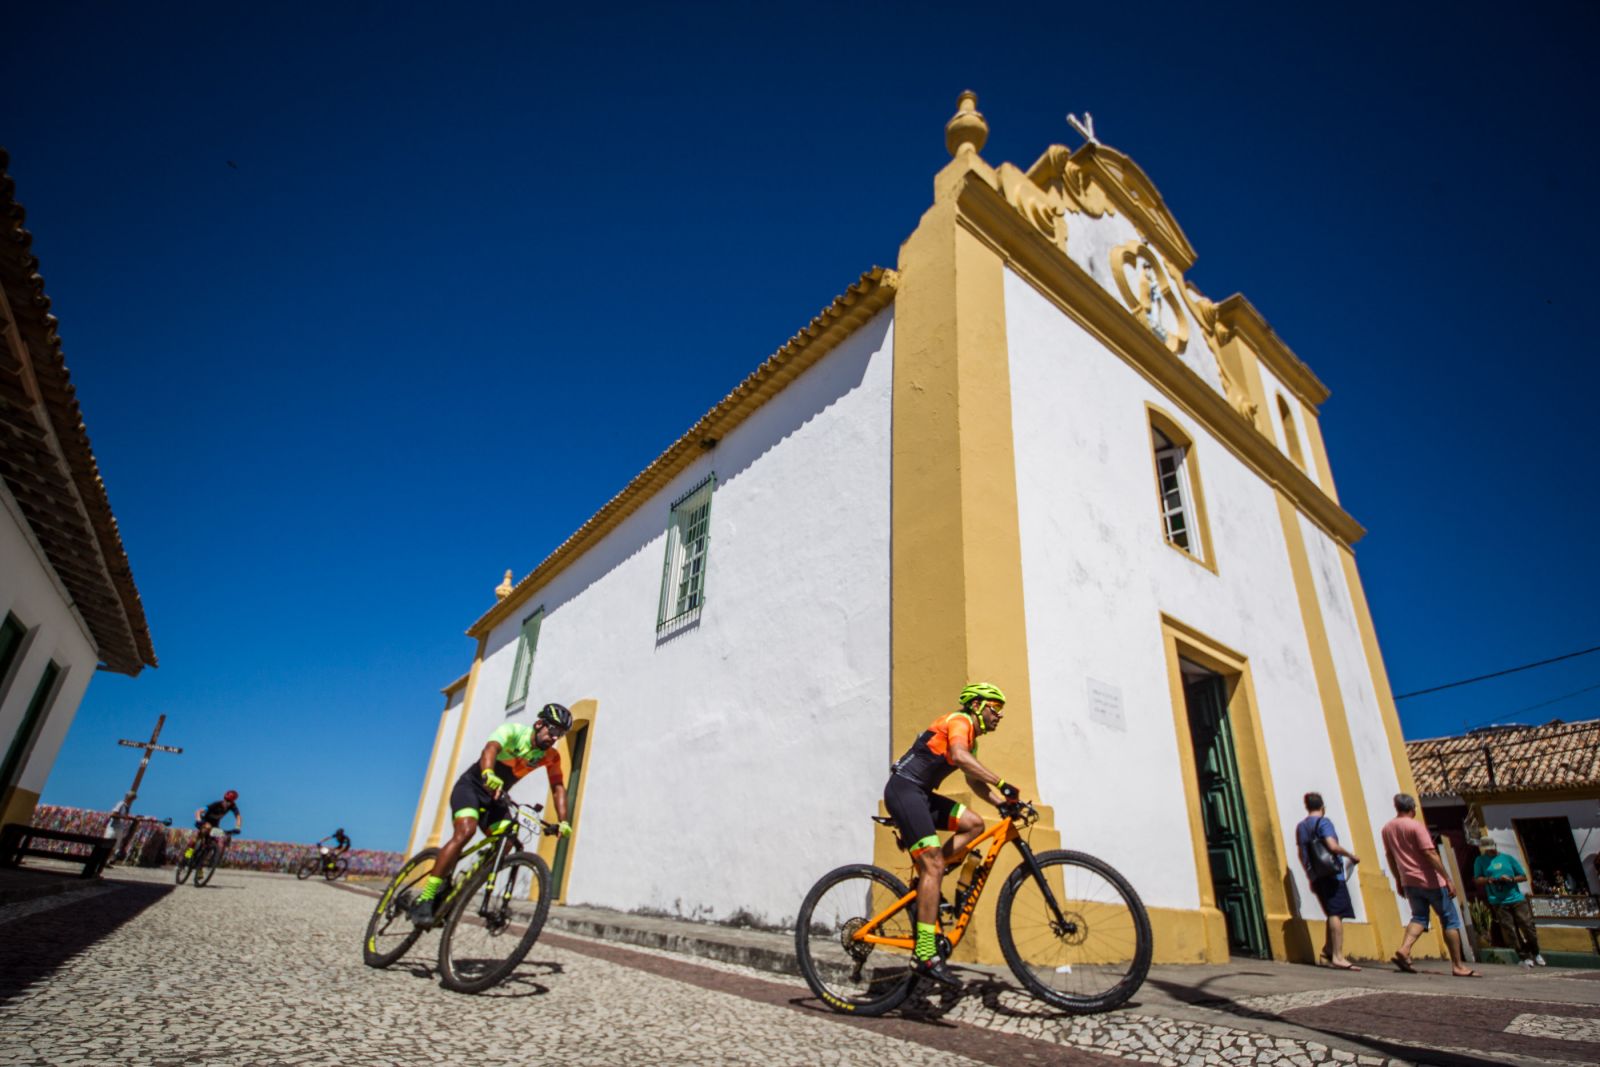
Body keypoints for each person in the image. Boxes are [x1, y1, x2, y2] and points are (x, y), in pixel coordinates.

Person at [883, 682, 1019, 990]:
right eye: (995, 709)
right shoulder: (960, 721)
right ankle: (925, 954)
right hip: (904, 791)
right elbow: (957, 756)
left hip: (920, 795)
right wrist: (1004, 782)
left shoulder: (972, 740)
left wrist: (1002, 803)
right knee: (932, 866)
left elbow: (974, 782)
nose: (999, 716)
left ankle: (932, 877)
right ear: (976, 706)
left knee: (973, 824)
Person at [409, 703, 575, 924]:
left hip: (497, 797)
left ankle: (463, 886)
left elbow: (558, 787)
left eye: (560, 734)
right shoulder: (514, 732)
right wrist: (487, 772)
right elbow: (491, 749)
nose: (555, 738)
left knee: (506, 842)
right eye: (553, 730)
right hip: (472, 787)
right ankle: (427, 897)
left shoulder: (550, 756)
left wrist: (563, 821)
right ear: (539, 724)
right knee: (465, 831)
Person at [1380, 793, 1478, 977]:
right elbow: (1430, 853)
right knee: (1450, 920)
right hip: (1431, 881)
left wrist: (1398, 879)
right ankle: (1457, 965)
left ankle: (1405, 948)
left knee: (1418, 917)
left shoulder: (1387, 828)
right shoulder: (1416, 827)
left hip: (1409, 881)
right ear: (1412, 809)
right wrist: (1447, 878)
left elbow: (1390, 857)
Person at [1295, 791, 1361, 970]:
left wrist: (1310, 873)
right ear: (1322, 807)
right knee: (1336, 913)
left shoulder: (1301, 827)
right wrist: (1350, 855)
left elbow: (1302, 854)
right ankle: (1338, 956)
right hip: (1332, 874)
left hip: (1317, 875)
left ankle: (1327, 953)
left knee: (1332, 911)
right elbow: (1332, 846)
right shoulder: (1324, 822)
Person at [1472, 836, 1543, 968]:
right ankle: (1523, 956)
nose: (1490, 852)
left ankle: (1535, 951)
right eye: (1487, 850)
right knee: (1510, 930)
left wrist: (1510, 879)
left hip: (1516, 898)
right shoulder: (1480, 861)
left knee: (1527, 925)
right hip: (1498, 901)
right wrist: (1490, 879)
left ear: (1495, 846)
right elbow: (1477, 879)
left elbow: (1523, 876)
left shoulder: (1507, 858)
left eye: (1491, 849)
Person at [186, 790, 242, 861]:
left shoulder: (233, 807)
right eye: (225, 800)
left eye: (229, 801)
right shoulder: (216, 804)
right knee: (197, 838)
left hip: (215, 824)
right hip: (205, 821)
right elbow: (199, 811)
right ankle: (187, 855)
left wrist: (237, 827)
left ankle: (202, 863)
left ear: (232, 802)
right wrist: (198, 820)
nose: (226, 803)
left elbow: (238, 817)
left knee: (218, 840)